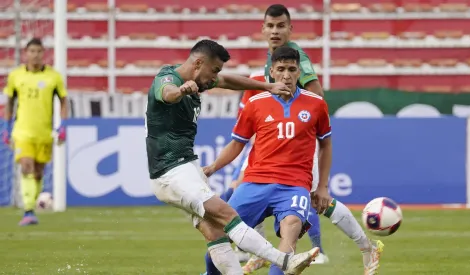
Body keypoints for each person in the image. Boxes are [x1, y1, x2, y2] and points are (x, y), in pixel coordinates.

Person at [205, 4, 384, 275]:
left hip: (297, 140)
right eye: (271, 26)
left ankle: (364, 246)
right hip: (270, 146)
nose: (276, 31)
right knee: (241, 195)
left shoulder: (297, 57)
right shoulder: (269, 64)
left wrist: (300, 118)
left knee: (318, 200)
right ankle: (263, 252)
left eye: (281, 26)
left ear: (290, 29)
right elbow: (240, 101)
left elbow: (316, 99)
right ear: (263, 29)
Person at [145, 39, 319, 275]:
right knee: (228, 215)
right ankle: (284, 261)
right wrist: (181, 91)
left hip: (187, 166)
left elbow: (228, 81)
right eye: (214, 70)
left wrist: (266, 87)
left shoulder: (200, 79)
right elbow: (167, 94)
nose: (215, 77)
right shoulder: (168, 79)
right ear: (198, 63)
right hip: (170, 171)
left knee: (215, 232)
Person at [203, 46, 329, 275]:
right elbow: (237, 144)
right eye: (281, 69)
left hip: (294, 185)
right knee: (219, 235)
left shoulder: (316, 104)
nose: (286, 75)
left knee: (291, 228)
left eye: (292, 69)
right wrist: (212, 167)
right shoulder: (255, 103)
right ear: (272, 71)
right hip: (254, 182)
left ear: (299, 72)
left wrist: (322, 187)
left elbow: (326, 144)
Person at [2, 38, 68, 226]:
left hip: (44, 132)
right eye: (32, 51)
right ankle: (28, 210)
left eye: (39, 51)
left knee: (38, 172)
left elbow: (64, 101)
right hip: (22, 131)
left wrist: (62, 125)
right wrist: (6, 127)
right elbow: (9, 102)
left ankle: (31, 207)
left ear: (43, 53)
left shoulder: (53, 77)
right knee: (26, 166)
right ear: (26, 53)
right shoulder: (16, 76)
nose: (35, 55)